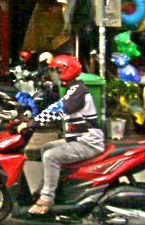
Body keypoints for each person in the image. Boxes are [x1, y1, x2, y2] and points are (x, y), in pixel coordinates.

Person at [17, 54, 105, 215]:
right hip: (77, 139)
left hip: (88, 142)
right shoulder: (73, 90)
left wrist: (33, 123)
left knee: (51, 156)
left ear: (65, 71)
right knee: (46, 148)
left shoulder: (78, 92)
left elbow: (58, 109)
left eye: (55, 71)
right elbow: (55, 110)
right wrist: (31, 119)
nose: (53, 75)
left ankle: (47, 198)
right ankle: (48, 188)